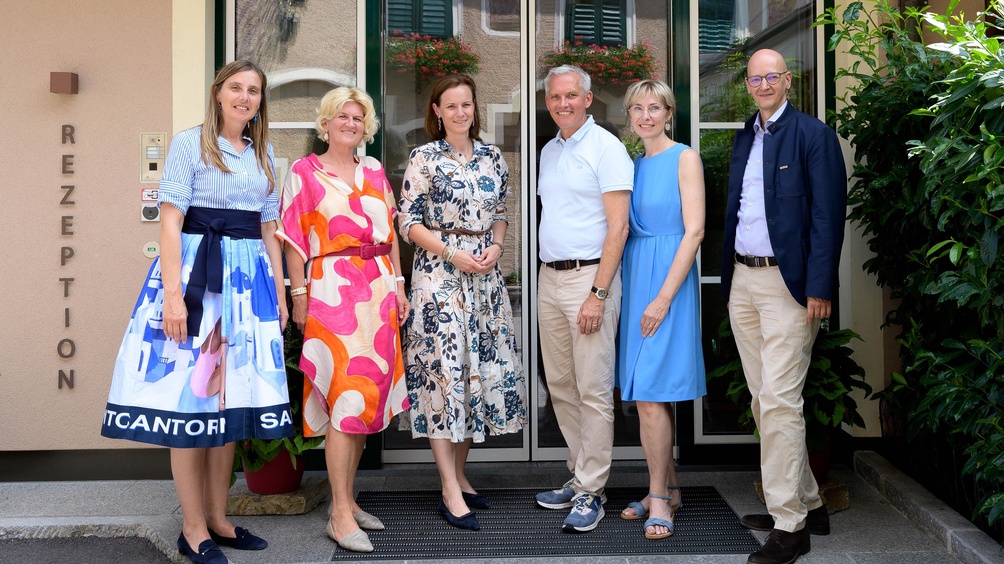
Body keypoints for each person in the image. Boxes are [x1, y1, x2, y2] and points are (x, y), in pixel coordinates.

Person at [101, 60, 290, 564]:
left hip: (247, 286)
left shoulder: (267, 153)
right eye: (236, 88)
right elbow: (169, 225)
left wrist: (282, 294)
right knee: (191, 401)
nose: (245, 97)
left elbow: (270, 229)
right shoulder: (190, 144)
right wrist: (170, 297)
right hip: (195, 281)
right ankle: (191, 527)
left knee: (226, 401)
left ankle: (218, 517)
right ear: (218, 92)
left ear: (260, 101)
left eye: (253, 91)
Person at [722, 49, 846, 564]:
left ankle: (790, 526)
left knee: (778, 402)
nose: (764, 83)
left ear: (788, 81)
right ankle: (809, 503)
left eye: (773, 75)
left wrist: (820, 287)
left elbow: (828, 216)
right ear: (748, 84)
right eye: (756, 77)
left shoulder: (813, 135)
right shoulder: (744, 137)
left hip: (789, 287)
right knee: (762, 400)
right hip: (744, 282)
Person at [277, 87, 410, 553]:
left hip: (377, 289)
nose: (351, 124)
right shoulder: (304, 172)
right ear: (326, 123)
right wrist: (298, 294)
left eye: (358, 117)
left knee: (364, 399)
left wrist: (399, 285)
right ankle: (336, 513)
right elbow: (293, 239)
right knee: (344, 399)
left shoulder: (373, 170)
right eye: (342, 116)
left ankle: (348, 501)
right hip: (332, 290)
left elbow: (390, 232)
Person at [398, 74, 526, 531]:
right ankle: (449, 489)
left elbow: (500, 214)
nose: (459, 113)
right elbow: (407, 222)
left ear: (475, 107)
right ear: (436, 110)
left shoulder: (493, 157)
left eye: (466, 104)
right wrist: (452, 252)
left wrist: (496, 248)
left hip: (484, 277)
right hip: (439, 276)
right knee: (444, 376)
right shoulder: (423, 158)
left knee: (475, 373)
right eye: (449, 106)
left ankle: (460, 475)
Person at [535, 65, 633, 533]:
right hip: (548, 280)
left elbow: (619, 227)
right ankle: (579, 477)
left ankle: (593, 490)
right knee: (560, 384)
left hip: (587, 280)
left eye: (571, 96)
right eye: (555, 97)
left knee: (593, 389)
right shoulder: (550, 150)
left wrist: (597, 293)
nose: (563, 104)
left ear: (588, 99)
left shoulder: (607, 148)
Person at [615, 79, 707, 540]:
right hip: (638, 277)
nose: (645, 115)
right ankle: (669, 489)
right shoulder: (633, 165)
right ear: (630, 116)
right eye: (637, 108)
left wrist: (664, 298)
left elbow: (694, 232)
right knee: (645, 390)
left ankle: (657, 499)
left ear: (669, 113)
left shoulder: (685, 158)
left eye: (654, 107)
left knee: (651, 394)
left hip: (668, 281)